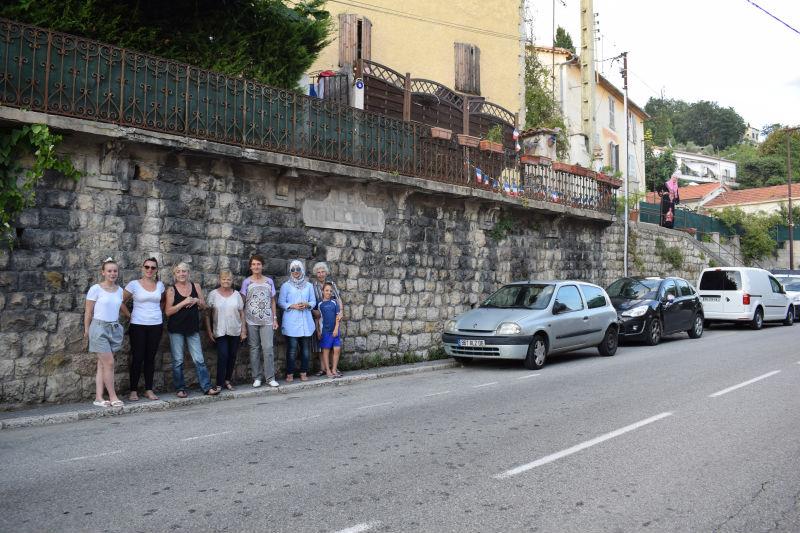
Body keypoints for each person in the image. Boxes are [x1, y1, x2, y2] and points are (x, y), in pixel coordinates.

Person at [165, 262, 218, 398]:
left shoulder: (196, 286)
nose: (182, 274)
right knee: (178, 361)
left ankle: (206, 387)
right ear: (175, 274)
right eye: (179, 272)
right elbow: (168, 312)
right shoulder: (171, 290)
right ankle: (180, 388)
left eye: (184, 271)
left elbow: (204, 306)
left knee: (199, 359)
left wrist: (196, 301)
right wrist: (183, 303)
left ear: (188, 273)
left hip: (192, 329)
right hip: (176, 329)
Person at [84, 258, 129, 408]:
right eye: (109, 271)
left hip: (114, 328)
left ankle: (98, 398)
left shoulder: (120, 291)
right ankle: (113, 396)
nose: (112, 273)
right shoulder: (95, 289)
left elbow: (119, 305)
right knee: (109, 363)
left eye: (115, 271)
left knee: (102, 365)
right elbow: (88, 312)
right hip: (98, 328)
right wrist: (86, 330)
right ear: (103, 272)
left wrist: (130, 315)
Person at [123, 257, 165, 401]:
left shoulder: (160, 285)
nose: (149, 270)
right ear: (142, 268)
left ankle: (148, 389)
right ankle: (133, 391)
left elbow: (163, 302)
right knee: (137, 357)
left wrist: (158, 313)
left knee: (150, 358)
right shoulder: (134, 284)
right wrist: (130, 315)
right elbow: (120, 301)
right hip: (138, 325)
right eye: (147, 267)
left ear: (156, 270)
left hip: (156, 325)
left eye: (153, 267)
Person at [241, 254, 279, 388]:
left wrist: (275, 318)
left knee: (268, 348)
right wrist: (243, 324)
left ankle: (270, 378)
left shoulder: (269, 281)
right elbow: (243, 303)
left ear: (262, 266)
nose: (256, 267)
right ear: (250, 267)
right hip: (251, 320)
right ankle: (257, 377)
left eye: (258, 264)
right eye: (254, 264)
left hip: (267, 320)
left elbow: (273, 301)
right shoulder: (246, 282)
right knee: (254, 349)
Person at [205, 270, 246, 391]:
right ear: (220, 280)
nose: (226, 281)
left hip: (235, 329)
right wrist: (209, 331)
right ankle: (219, 383)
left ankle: (227, 380)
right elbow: (207, 314)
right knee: (223, 355)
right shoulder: (213, 294)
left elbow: (242, 313)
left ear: (232, 281)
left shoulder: (237, 295)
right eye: (223, 279)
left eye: (228, 279)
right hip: (220, 330)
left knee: (232, 356)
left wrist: (243, 330)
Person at [278, 260, 316, 382]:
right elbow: (281, 302)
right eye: (293, 270)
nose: (295, 272)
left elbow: (313, 302)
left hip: (305, 320)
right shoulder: (286, 286)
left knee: (305, 349)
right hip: (291, 321)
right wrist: (293, 306)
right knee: (292, 349)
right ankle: (289, 372)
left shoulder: (309, 286)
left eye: (298, 269)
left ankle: (303, 372)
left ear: (302, 270)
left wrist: (307, 304)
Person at [310, 262, 344, 377]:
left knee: (332, 345)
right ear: (316, 274)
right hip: (320, 317)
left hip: (332, 316)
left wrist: (341, 312)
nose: (321, 274)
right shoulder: (313, 286)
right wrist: (315, 313)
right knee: (321, 345)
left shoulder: (332, 284)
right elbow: (313, 302)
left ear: (326, 272)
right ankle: (323, 368)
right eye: (318, 272)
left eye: (323, 272)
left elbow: (338, 299)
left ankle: (333, 368)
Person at [316, 282, 343, 378]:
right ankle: (327, 370)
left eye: (330, 291)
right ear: (322, 291)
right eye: (326, 290)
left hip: (335, 330)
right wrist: (318, 331)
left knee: (337, 349)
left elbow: (338, 317)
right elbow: (318, 319)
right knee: (326, 350)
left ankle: (334, 369)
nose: (329, 292)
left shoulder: (334, 303)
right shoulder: (319, 304)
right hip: (325, 331)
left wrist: (336, 329)